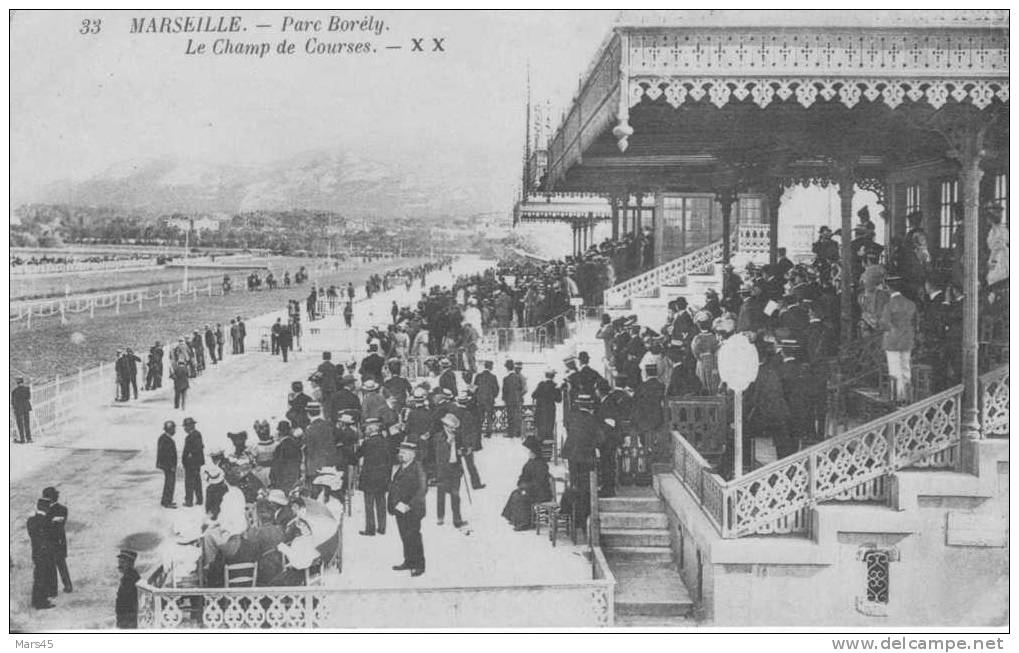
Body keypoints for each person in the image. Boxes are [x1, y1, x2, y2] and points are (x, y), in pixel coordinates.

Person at [389, 441, 427, 577]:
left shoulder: (418, 468)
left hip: (413, 510)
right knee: (404, 535)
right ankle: (409, 561)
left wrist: (409, 505)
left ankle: (419, 565)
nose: (401, 455)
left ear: (412, 455)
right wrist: (395, 504)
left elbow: (422, 490)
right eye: (400, 452)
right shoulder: (402, 467)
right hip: (400, 509)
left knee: (414, 536)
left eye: (404, 453)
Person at [879, 276, 917, 404]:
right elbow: (915, 321)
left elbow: (884, 324)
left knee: (895, 370)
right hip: (907, 339)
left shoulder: (889, 305)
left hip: (893, 341)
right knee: (906, 368)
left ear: (889, 288)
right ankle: (908, 395)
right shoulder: (911, 304)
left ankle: (897, 397)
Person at [501, 438, 552, 530]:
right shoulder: (530, 462)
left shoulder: (541, 464)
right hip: (531, 489)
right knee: (515, 493)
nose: (529, 453)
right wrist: (521, 483)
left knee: (520, 496)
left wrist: (526, 487)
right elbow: (524, 476)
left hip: (541, 492)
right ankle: (516, 519)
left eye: (531, 452)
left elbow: (540, 482)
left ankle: (524, 523)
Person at [355, 418, 390, 536]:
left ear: (372, 428)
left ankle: (370, 529)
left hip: (369, 476)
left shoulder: (367, 442)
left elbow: (357, 455)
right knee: (381, 501)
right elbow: (389, 460)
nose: (366, 430)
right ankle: (382, 527)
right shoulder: (385, 442)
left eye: (367, 427)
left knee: (369, 503)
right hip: (382, 476)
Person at [27, 498, 57, 609]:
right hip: (44, 554)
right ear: (46, 508)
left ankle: (37, 600)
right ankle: (41, 602)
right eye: (49, 507)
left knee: (39, 577)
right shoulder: (44, 520)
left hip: (37, 553)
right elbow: (47, 538)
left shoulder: (31, 520)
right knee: (43, 578)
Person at [42, 487, 71, 593]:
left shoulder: (61, 509)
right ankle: (62, 586)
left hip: (56, 541)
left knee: (60, 564)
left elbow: (57, 526)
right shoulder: (46, 509)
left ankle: (67, 586)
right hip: (53, 541)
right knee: (57, 564)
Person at [531, 369, 561, 444]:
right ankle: (549, 450)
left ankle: (540, 449)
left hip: (540, 410)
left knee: (540, 430)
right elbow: (559, 400)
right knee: (549, 430)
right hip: (550, 410)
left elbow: (533, 395)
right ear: (553, 376)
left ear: (545, 375)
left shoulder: (541, 384)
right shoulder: (555, 386)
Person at [181, 417, 205, 507]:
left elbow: (198, 448)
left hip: (192, 463)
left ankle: (189, 501)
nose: (185, 429)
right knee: (196, 481)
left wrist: (190, 456)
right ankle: (199, 500)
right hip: (195, 463)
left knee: (190, 482)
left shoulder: (194, 435)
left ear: (190, 426)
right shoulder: (196, 434)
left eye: (186, 426)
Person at [474, 360, 499, 437]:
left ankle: (478, 431)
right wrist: (493, 396)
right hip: (489, 400)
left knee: (479, 416)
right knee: (489, 417)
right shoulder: (493, 377)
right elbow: (496, 389)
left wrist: (477, 397)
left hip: (480, 400)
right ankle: (488, 433)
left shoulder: (478, 376)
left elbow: (475, 388)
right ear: (490, 367)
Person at [115, 549, 140, 628]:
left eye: (122, 563)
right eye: (119, 562)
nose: (119, 565)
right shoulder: (129, 576)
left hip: (128, 619)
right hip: (125, 617)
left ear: (130, 563)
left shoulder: (131, 578)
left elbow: (129, 601)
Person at [157, 420, 178, 508]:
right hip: (168, 465)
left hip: (168, 465)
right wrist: (171, 466)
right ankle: (167, 502)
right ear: (169, 429)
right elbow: (165, 454)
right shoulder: (165, 439)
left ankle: (166, 500)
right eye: (173, 428)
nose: (175, 430)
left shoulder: (165, 438)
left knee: (169, 482)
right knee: (170, 483)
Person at [501, 360, 524, 438]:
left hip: (509, 400)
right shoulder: (518, 377)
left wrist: (504, 400)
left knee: (510, 416)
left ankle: (510, 433)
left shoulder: (506, 379)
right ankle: (518, 432)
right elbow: (521, 388)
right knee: (517, 415)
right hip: (517, 399)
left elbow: (504, 391)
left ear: (507, 368)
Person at [11, 377, 31, 443]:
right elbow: (29, 397)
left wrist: (14, 407)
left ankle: (22, 439)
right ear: (23, 382)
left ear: (17, 383)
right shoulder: (27, 389)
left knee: (20, 424)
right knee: (27, 423)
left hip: (18, 409)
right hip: (26, 408)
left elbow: (12, 402)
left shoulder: (14, 391)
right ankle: (29, 438)